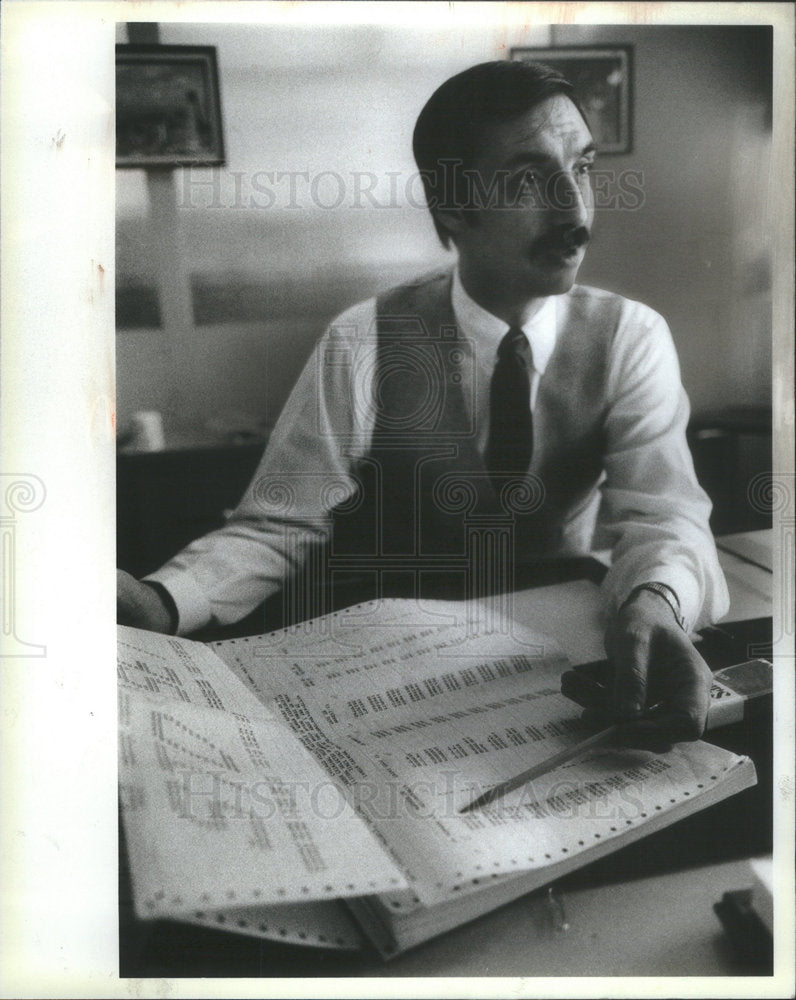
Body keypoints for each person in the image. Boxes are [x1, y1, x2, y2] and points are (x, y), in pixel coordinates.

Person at [118, 60, 729, 750]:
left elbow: (665, 516)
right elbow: (279, 525)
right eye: (529, 179)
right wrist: (163, 601)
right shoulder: (365, 340)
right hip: (384, 679)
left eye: (582, 168)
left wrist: (655, 603)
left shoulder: (630, 337)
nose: (576, 212)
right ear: (451, 206)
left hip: (554, 664)